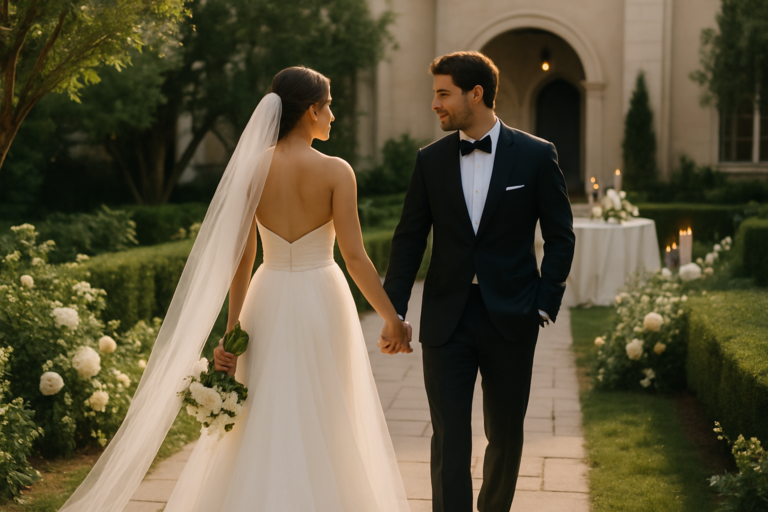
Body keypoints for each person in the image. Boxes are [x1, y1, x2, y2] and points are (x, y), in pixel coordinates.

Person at [59, 67, 412, 512]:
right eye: (328, 106)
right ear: (309, 111)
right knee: (326, 405)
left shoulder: (252, 169)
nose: (333, 116)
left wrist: (232, 333)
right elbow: (356, 257)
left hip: (267, 295)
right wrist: (391, 319)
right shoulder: (336, 171)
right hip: (322, 296)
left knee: (265, 406)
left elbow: (241, 259)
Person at [382, 51, 575, 512]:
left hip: (512, 316)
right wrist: (394, 312)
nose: (435, 104)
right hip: (447, 318)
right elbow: (409, 240)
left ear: (476, 94)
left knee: (505, 435)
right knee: (448, 437)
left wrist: (544, 302)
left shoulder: (534, 154)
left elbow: (560, 236)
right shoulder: (429, 161)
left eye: (442, 93)